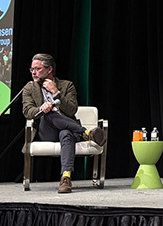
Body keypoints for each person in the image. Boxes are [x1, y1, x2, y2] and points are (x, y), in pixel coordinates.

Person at [21, 53, 106, 194]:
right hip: (46, 130)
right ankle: (86, 132)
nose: (34, 72)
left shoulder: (67, 86)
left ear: (49, 70)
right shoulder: (29, 88)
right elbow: (27, 111)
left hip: (68, 130)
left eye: (38, 69)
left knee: (66, 133)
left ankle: (65, 178)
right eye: (32, 69)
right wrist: (41, 109)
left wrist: (56, 92)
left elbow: (72, 110)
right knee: (48, 113)